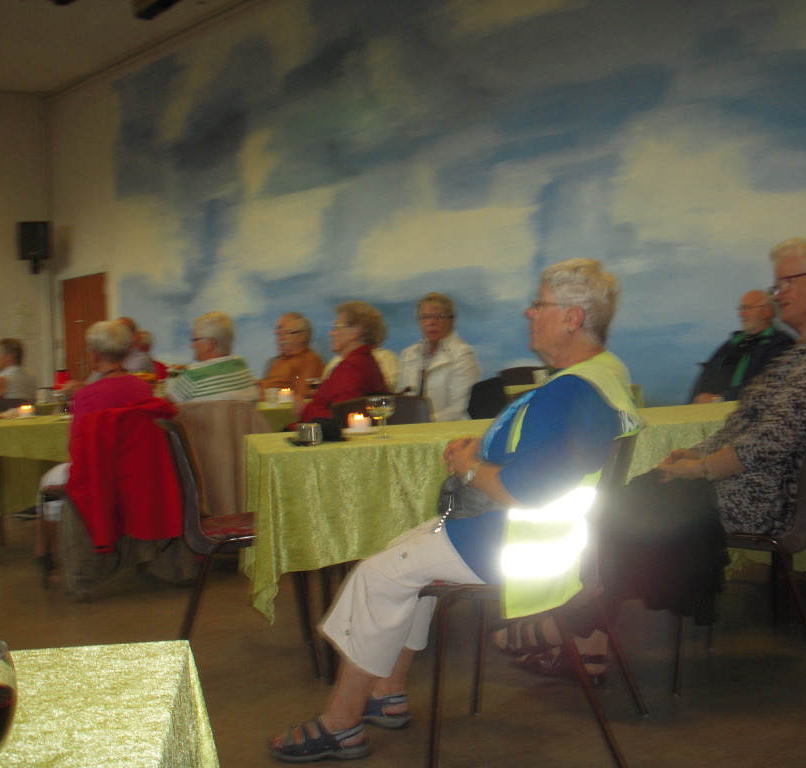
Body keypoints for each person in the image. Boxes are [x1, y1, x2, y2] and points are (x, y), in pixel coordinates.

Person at [268, 258, 640, 762]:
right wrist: (483, 454)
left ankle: (340, 725)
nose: (529, 313)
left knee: (376, 576)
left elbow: (526, 491)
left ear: (573, 318)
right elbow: (552, 465)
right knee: (402, 553)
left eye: (539, 304)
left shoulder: (569, 391)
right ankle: (388, 693)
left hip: (523, 546)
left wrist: (469, 467)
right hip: (560, 539)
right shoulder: (606, 374)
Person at [504, 237, 806, 685]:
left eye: (786, 283)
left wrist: (700, 469)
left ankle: (571, 630)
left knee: (618, 510)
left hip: (766, 496)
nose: (778, 294)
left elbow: (773, 439)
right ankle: (587, 646)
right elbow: (747, 426)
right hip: (753, 484)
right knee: (625, 501)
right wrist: (695, 454)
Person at [37, 320, 156, 571]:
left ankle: (47, 554)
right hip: (139, 473)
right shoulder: (144, 389)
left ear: (95, 354)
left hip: (100, 476)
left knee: (48, 481)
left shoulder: (86, 396)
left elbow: (77, 451)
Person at [688, 290, 794, 403]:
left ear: (766, 311)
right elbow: (708, 371)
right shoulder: (732, 343)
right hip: (707, 409)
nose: (740, 314)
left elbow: (769, 384)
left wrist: (721, 399)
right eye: (740, 309)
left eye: (746, 308)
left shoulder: (780, 343)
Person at [297, 302, 389, 424]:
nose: (330, 333)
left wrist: (304, 409)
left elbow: (341, 418)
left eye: (336, 327)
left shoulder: (351, 368)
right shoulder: (366, 361)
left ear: (354, 333)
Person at [398, 292, 482, 421]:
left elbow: (459, 408)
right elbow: (401, 401)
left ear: (452, 321)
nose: (431, 322)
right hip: (414, 427)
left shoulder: (463, 354)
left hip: (452, 428)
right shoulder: (409, 354)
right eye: (425, 317)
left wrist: (421, 422)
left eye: (439, 316)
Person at [165, 311, 259, 403]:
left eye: (194, 340)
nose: (191, 346)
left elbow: (165, 406)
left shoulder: (194, 374)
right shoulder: (242, 366)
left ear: (209, 344)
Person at [259, 313, 324, 398]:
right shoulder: (277, 361)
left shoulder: (310, 360)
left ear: (302, 336)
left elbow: (303, 397)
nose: (280, 339)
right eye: (279, 334)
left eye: (286, 333)